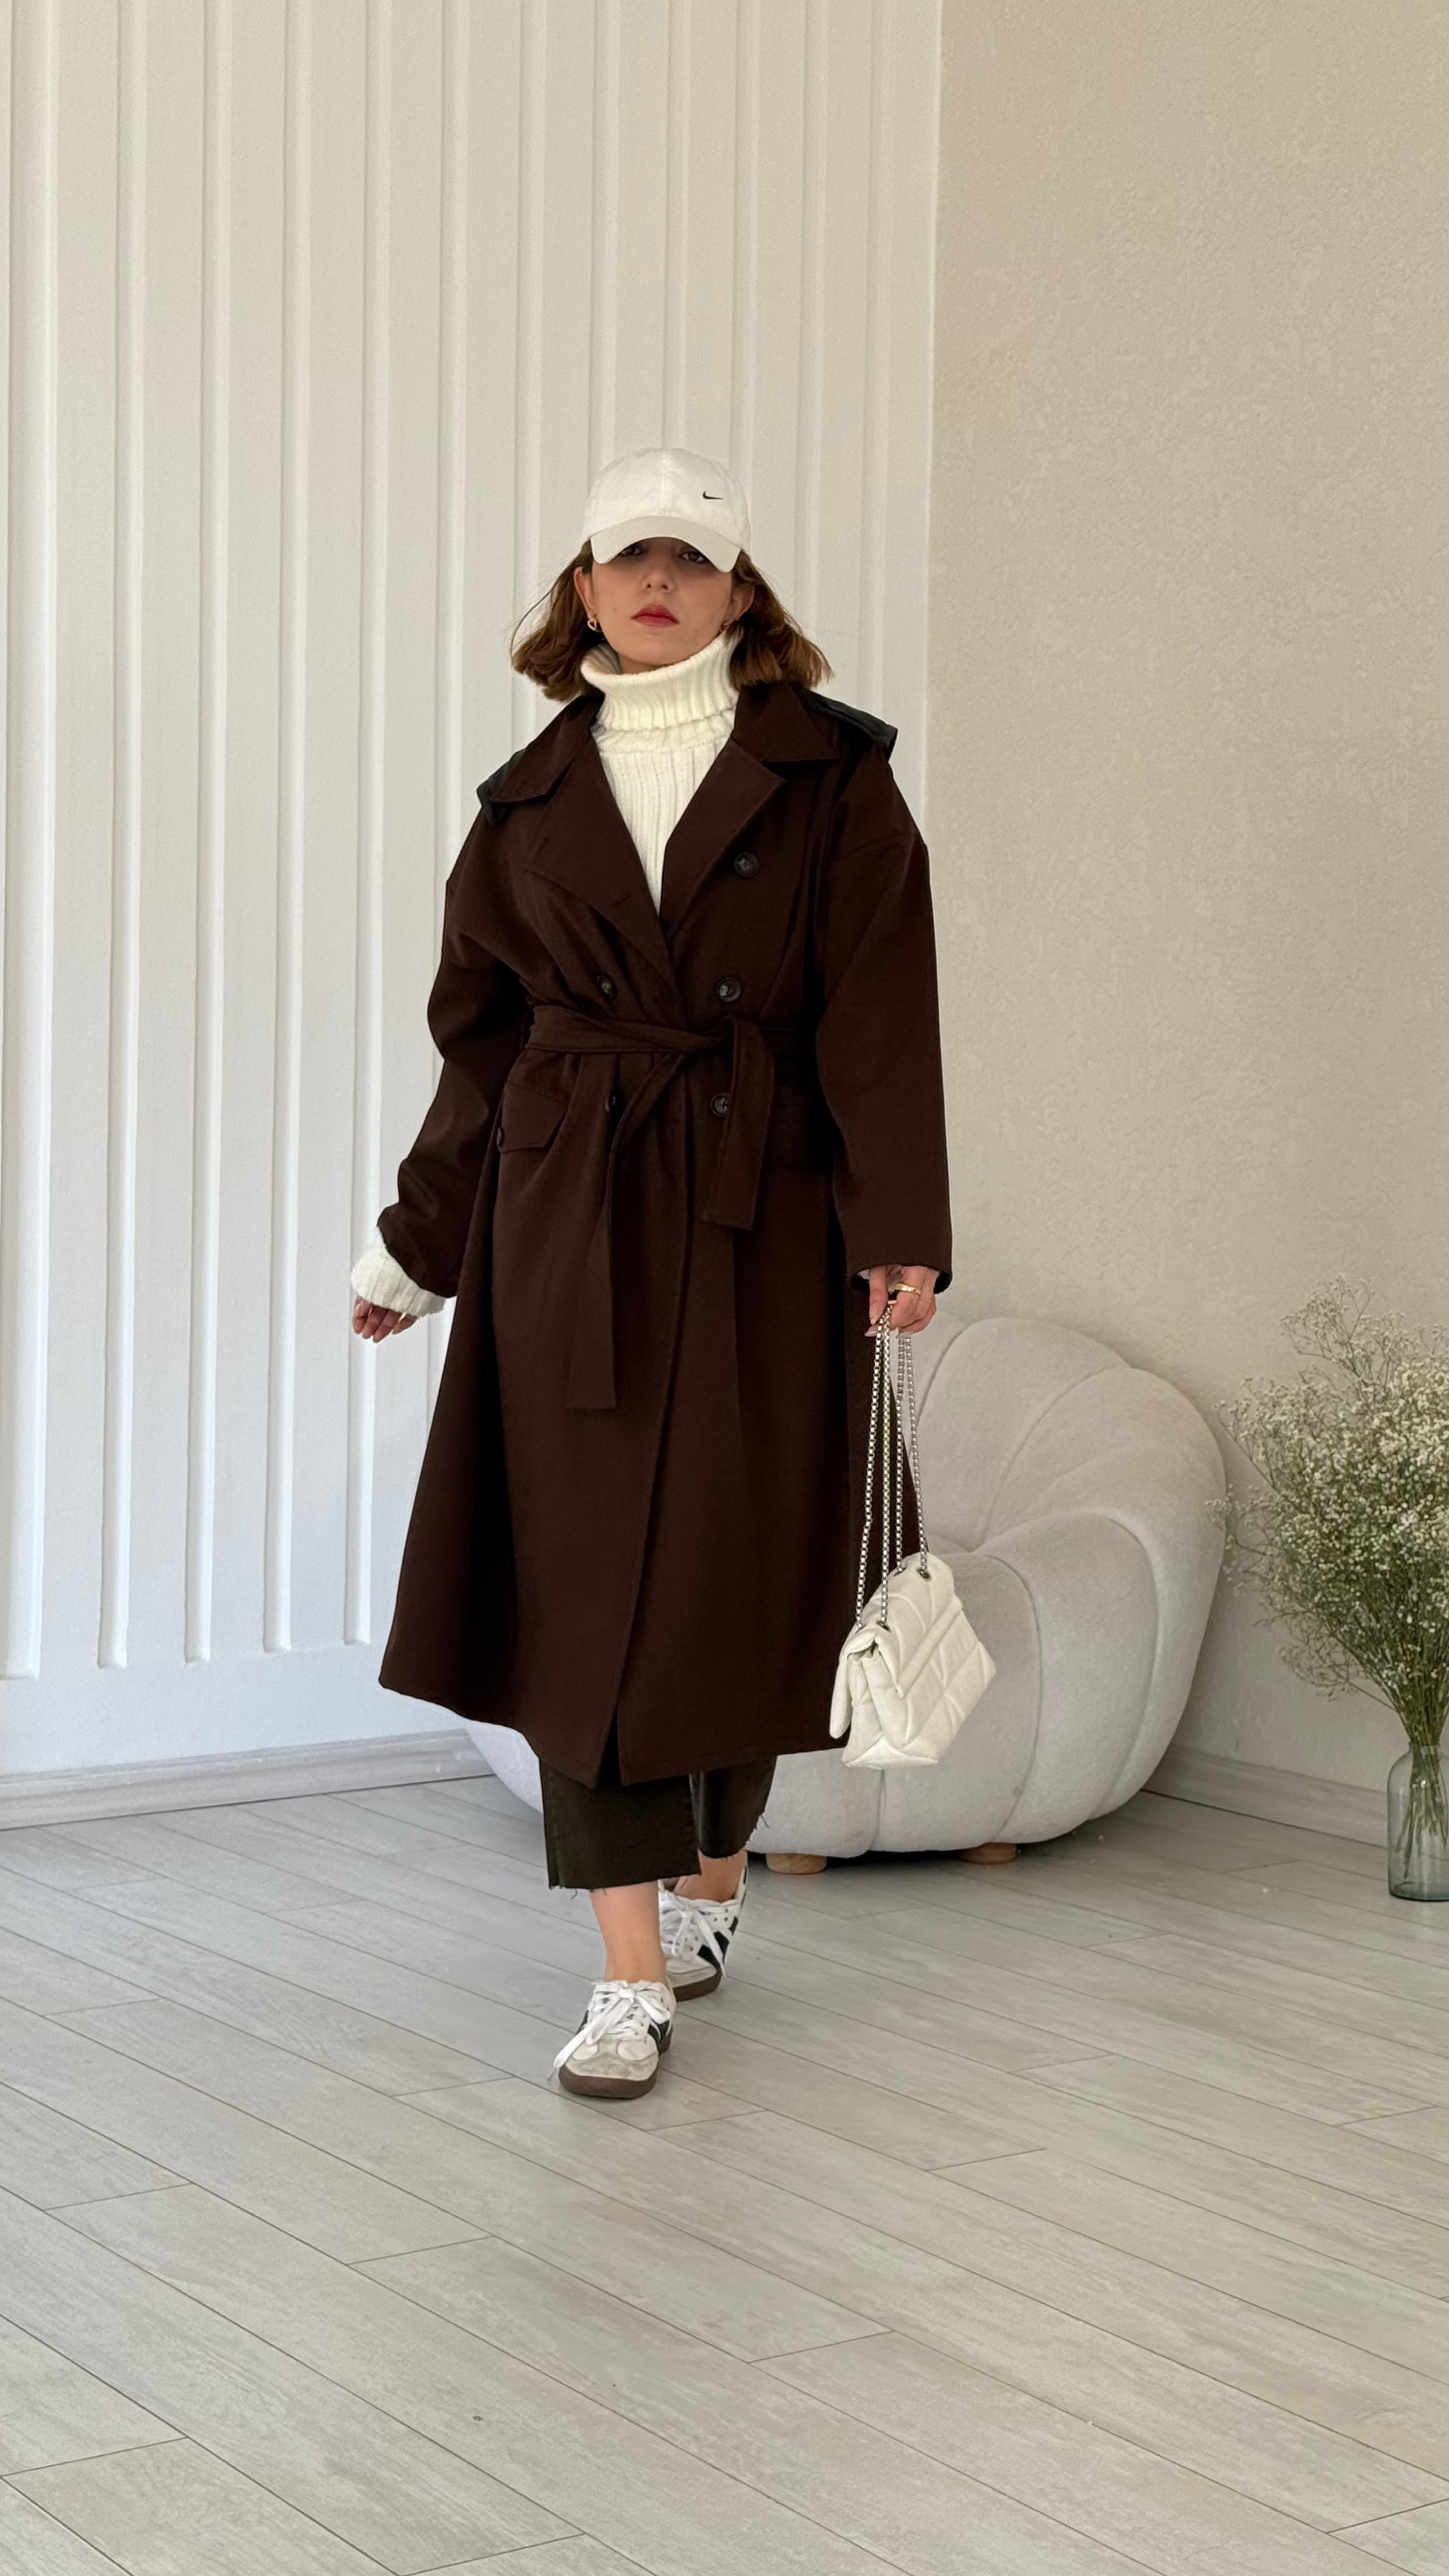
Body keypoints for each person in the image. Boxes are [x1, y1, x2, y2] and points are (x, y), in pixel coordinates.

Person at [351, 444, 952, 2102]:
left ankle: (710, 1876)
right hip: (571, 1221)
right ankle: (626, 1971)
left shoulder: (833, 776)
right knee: (584, 1590)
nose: (659, 583)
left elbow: (880, 1011)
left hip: (765, 1217)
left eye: (691, 559)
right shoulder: (523, 803)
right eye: (631, 559)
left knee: (736, 1577)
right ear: (585, 589)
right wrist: (417, 1243)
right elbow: (481, 1048)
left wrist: (898, 1226)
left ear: (740, 590)